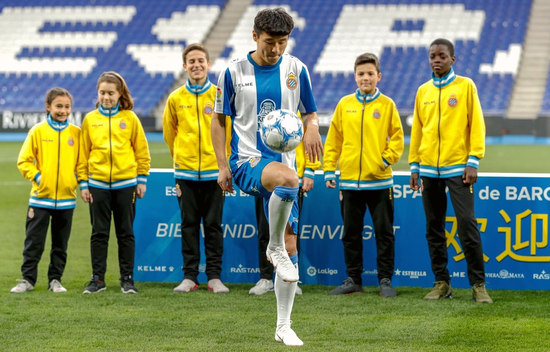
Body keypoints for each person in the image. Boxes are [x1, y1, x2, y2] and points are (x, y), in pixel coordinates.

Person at [211, 8, 323, 347]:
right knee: (289, 182)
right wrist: (221, 165)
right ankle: (272, 245)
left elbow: (311, 112)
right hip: (248, 161)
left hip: (283, 165)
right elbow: (218, 120)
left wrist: (313, 129)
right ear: (255, 36)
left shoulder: (297, 69)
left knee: (289, 252)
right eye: (270, 42)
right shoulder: (232, 72)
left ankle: (283, 326)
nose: (276, 49)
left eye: (282, 42)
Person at [409, 38, 492, 304]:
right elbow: (418, 131)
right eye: (433, 56)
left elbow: (476, 125)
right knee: (434, 228)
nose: (437, 60)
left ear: (452, 59)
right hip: (429, 172)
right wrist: (415, 165)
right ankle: (442, 282)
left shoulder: (466, 86)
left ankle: (478, 285)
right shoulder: (423, 91)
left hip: (459, 168)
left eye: (442, 56)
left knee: (467, 225)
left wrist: (474, 160)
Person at [323, 53, 404, 298]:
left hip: (380, 183)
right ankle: (353, 280)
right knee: (350, 234)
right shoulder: (344, 104)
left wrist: (383, 161)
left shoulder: (387, 104)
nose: (365, 78)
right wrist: (329, 168)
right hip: (348, 182)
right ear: (355, 76)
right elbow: (333, 141)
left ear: (378, 76)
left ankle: (385, 280)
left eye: (370, 74)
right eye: (361, 74)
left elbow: (398, 139)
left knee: (384, 234)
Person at [163, 43, 231, 294]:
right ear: (185, 66)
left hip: (215, 173)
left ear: (208, 64)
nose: (196, 65)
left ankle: (214, 276)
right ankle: (189, 276)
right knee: (188, 224)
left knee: (214, 225)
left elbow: (229, 131)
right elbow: (170, 135)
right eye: (191, 61)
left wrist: (224, 164)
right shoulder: (175, 98)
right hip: (186, 173)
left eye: (200, 60)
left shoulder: (219, 95)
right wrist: (182, 158)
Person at [78, 71, 151, 294]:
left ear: (120, 94)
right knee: (98, 233)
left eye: (111, 93)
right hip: (97, 185)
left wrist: (141, 179)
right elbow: (83, 154)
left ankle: (127, 279)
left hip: (126, 185)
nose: (106, 97)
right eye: (102, 93)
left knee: (125, 233)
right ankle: (97, 280)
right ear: (97, 93)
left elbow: (141, 151)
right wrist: (83, 183)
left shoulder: (130, 118)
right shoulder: (90, 119)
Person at [11, 88, 81, 294]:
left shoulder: (77, 133)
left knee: (61, 245)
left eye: (67, 106)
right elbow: (23, 161)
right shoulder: (38, 131)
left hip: (67, 200)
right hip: (40, 199)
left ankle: (55, 280)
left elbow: (83, 164)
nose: (63, 111)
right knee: (34, 243)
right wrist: (39, 177)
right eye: (59, 106)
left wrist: (74, 180)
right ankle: (27, 280)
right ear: (48, 106)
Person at [249, 138, 321, 296]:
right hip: (263, 176)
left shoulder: (297, 114)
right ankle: (266, 279)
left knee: (291, 232)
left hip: (292, 179)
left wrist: (309, 170)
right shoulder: (260, 114)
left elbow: (309, 137)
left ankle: (290, 281)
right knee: (265, 229)